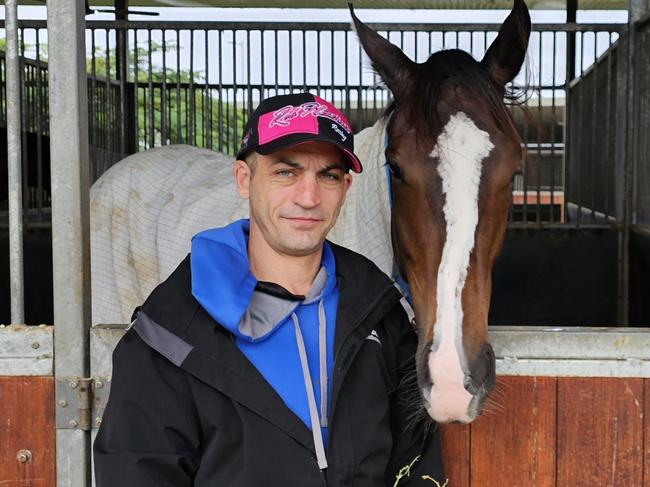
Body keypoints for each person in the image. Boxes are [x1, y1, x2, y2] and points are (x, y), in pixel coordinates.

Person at [93, 92, 445, 486]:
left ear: (346, 186)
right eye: (285, 172)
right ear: (245, 179)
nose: (308, 197)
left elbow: (415, 461)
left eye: (327, 175)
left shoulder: (379, 312)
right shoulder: (170, 332)